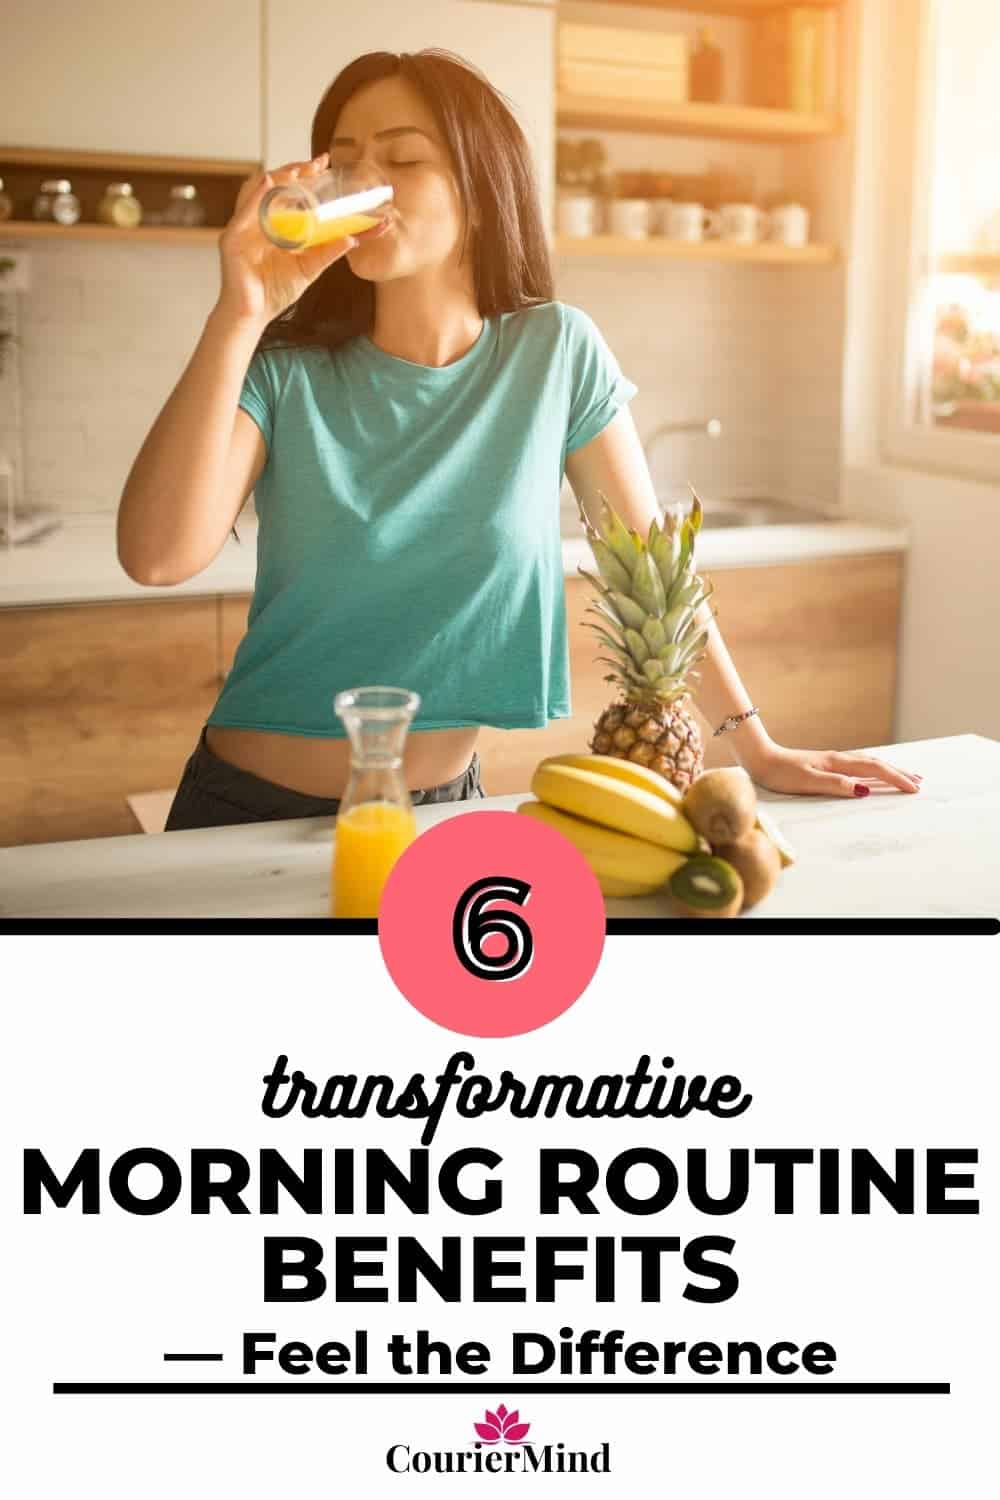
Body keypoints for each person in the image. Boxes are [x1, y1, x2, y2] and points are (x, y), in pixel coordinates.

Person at [117, 49, 921, 832]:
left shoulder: (555, 351)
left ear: (479, 188)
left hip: (448, 808)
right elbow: (157, 557)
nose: (365, 184)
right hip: (247, 811)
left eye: (401, 158)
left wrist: (756, 747)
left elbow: (650, 572)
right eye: (347, 162)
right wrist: (242, 310)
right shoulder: (285, 370)